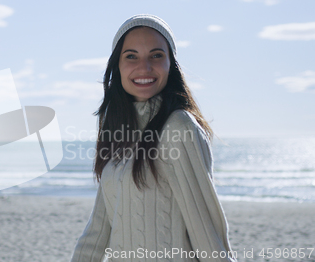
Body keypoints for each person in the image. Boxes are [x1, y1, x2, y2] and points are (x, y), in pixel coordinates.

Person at [70, 15, 237, 262]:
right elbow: (98, 229)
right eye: (131, 56)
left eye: (156, 55)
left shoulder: (179, 127)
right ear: (118, 65)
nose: (144, 67)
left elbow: (205, 230)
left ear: (171, 64)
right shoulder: (118, 130)